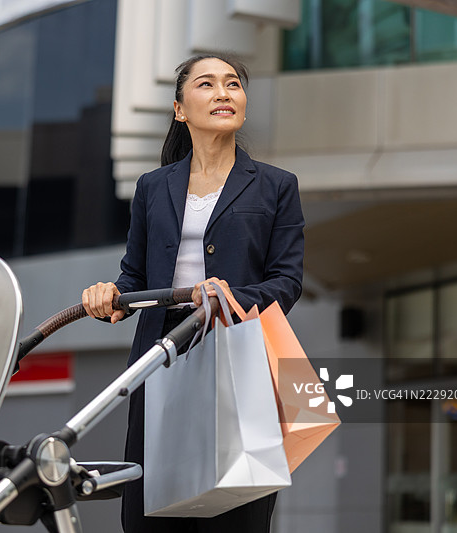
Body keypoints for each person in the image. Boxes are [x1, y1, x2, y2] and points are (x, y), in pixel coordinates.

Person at [82, 53, 304, 532]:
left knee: (235, 510)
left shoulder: (277, 186)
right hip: (159, 363)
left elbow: (287, 281)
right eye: (207, 84)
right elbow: (134, 280)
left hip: (239, 362)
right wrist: (109, 298)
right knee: (149, 508)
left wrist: (233, 295)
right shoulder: (152, 187)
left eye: (233, 84)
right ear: (180, 109)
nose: (224, 93)